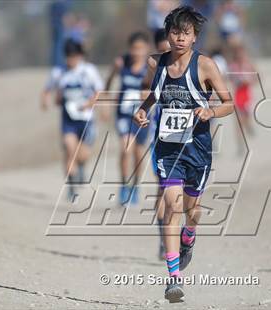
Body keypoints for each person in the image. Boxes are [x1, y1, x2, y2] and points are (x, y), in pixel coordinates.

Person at [134, 6, 234, 302]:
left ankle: (189, 235)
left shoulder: (205, 66)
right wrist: (142, 110)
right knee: (171, 207)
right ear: (167, 35)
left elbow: (228, 103)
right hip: (167, 148)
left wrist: (210, 111)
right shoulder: (156, 64)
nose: (179, 38)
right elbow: (153, 94)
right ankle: (173, 279)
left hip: (198, 149)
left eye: (185, 33)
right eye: (174, 32)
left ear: (195, 37)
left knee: (192, 211)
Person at [41, 39, 104, 200]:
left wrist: (90, 104)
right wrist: (46, 100)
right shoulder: (59, 72)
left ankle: (81, 166)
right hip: (68, 119)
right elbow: (48, 89)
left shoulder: (88, 71)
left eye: (74, 57)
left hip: (86, 119)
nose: (71, 60)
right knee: (70, 150)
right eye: (68, 57)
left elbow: (99, 91)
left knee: (82, 155)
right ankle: (71, 186)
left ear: (80, 56)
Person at [105, 32, 151, 206]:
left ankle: (135, 187)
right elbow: (109, 80)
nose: (137, 52)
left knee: (139, 154)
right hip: (124, 115)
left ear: (146, 49)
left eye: (140, 48)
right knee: (126, 149)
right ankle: (124, 185)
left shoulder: (151, 67)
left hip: (143, 116)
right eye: (134, 48)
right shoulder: (122, 63)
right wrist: (107, 95)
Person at [147, 28, 171, 260]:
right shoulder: (155, 67)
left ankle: (177, 237)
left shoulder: (190, 65)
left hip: (188, 139)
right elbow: (146, 89)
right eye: (163, 50)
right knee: (164, 189)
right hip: (161, 138)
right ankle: (164, 240)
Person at [228, 42, 256, 146]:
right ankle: (240, 145)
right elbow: (229, 79)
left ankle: (249, 127)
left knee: (247, 118)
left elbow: (257, 78)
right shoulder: (232, 66)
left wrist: (249, 81)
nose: (240, 55)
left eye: (241, 53)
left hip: (248, 94)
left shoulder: (249, 65)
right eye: (238, 53)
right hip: (238, 95)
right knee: (239, 122)